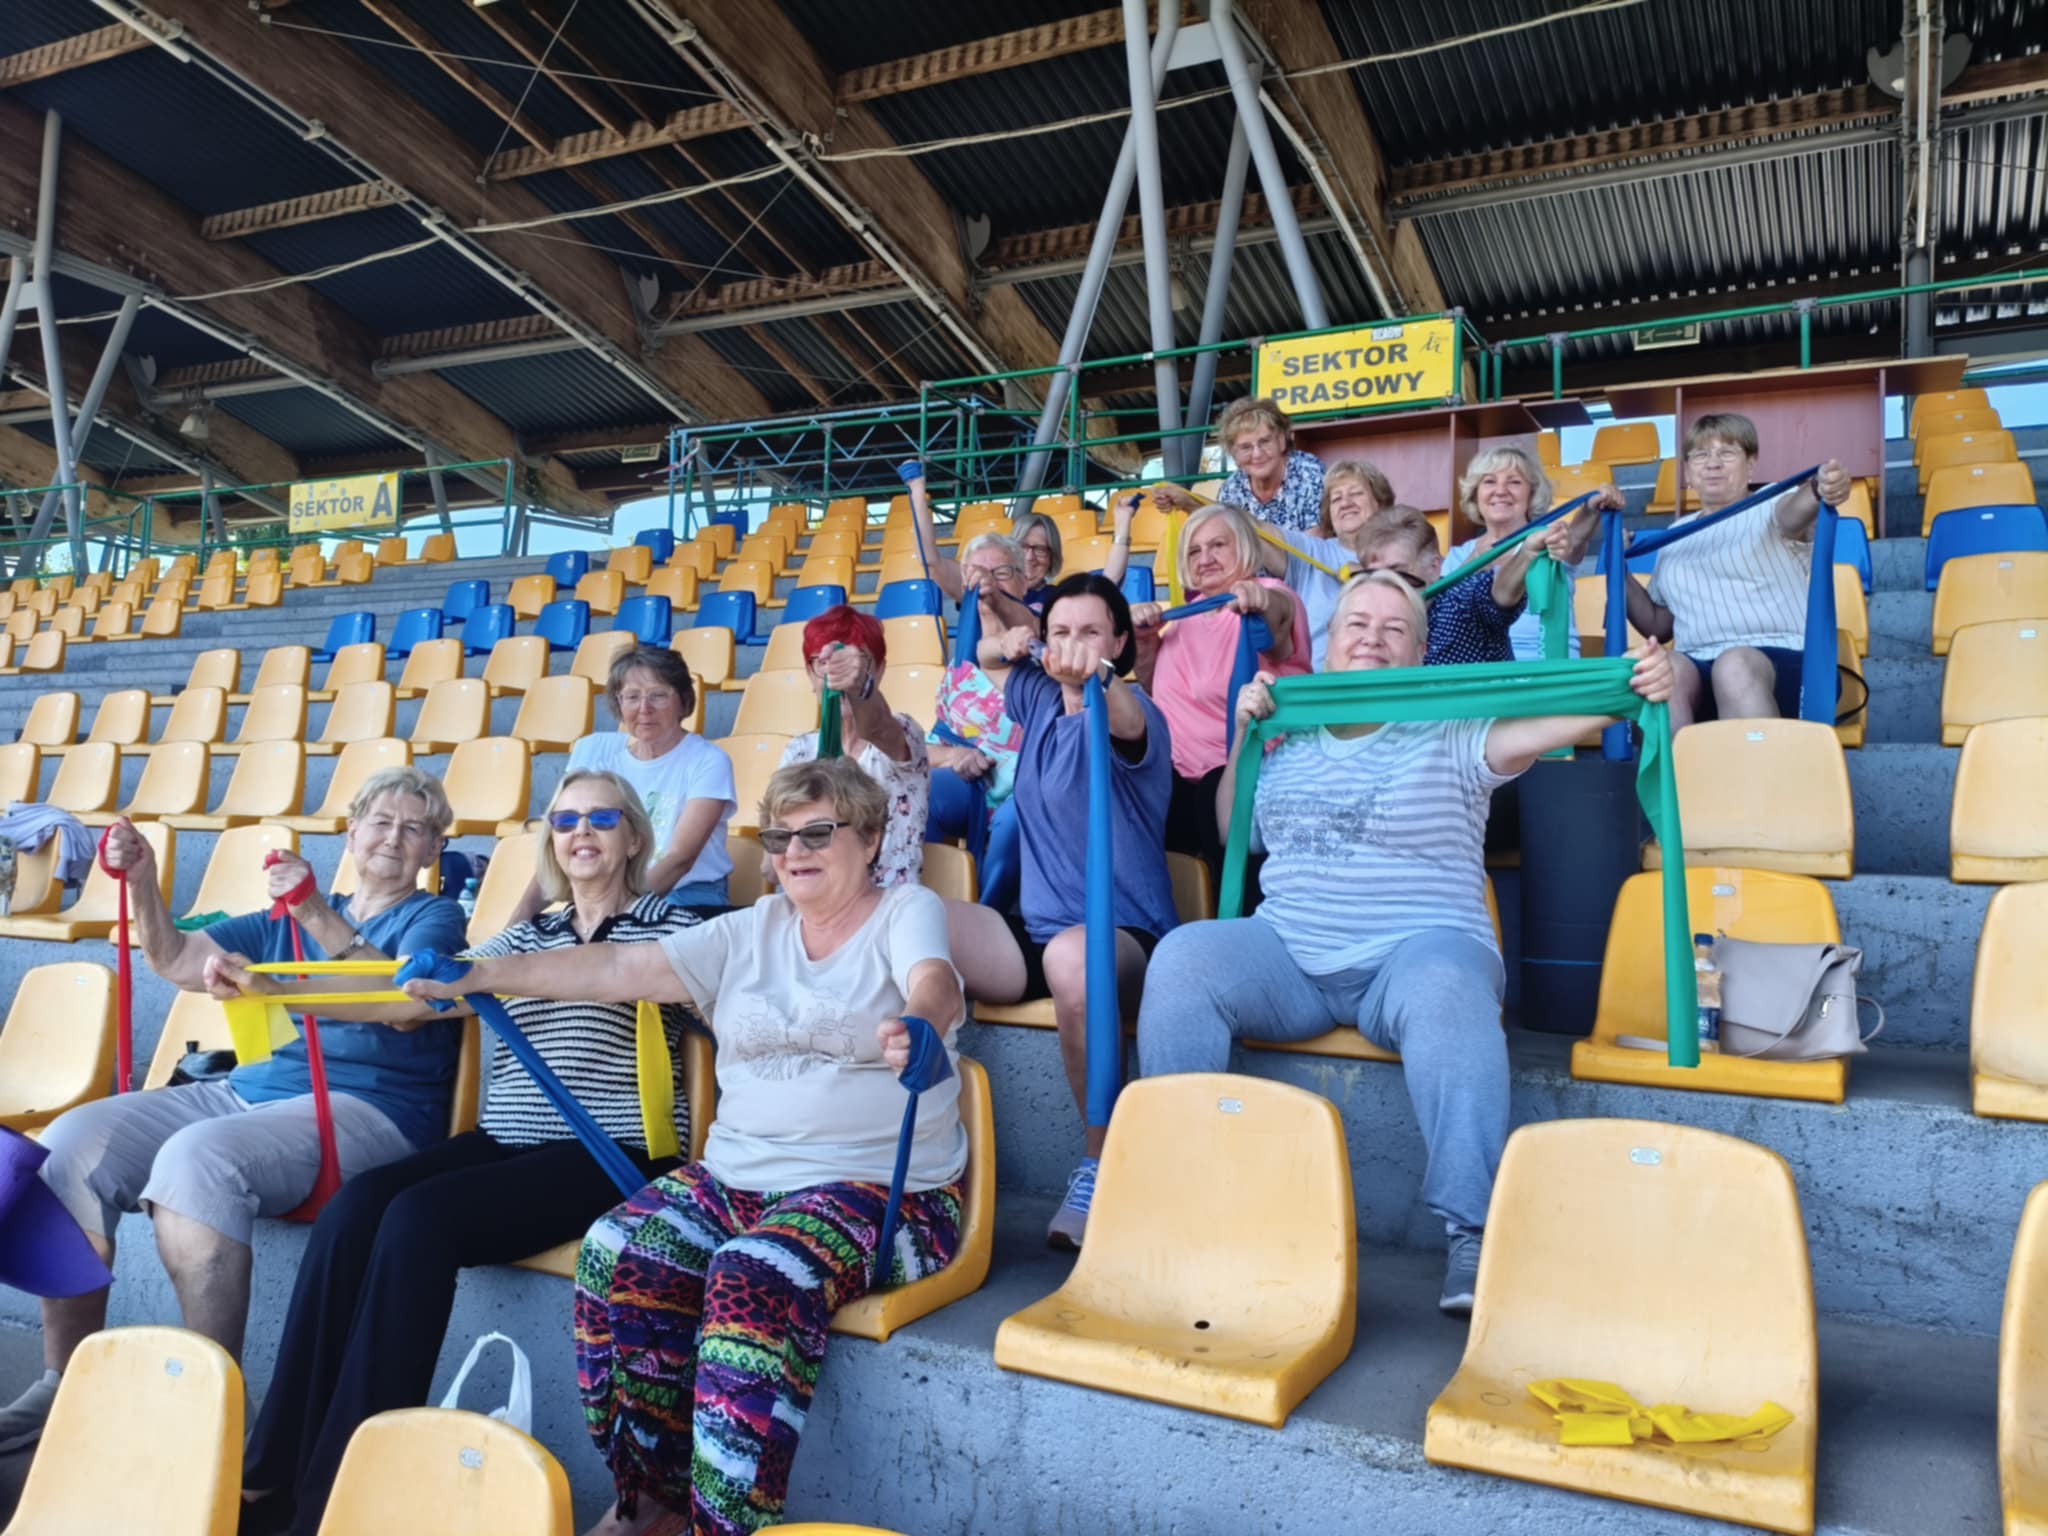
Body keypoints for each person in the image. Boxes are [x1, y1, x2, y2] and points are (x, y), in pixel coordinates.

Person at [402, 757, 967, 1536]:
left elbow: (934, 979)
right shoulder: (750, 929)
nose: (795, 852)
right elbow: (615, 965)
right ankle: (656, 1493)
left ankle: (724, 1523)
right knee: (616, 1251)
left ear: (869, 838)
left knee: (752, 1273)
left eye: (818, 833)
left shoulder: (905, 908)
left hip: (884, 1194)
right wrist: (480, 973)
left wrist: (923, 1023)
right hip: (737, 1178)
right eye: (780, 837)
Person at [1135, 571, 1676, 1315]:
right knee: (1183, 957)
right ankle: (1178, 1202)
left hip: (1416, 953)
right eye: (1357, 624)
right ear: (1328, 644)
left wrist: (1629, 686)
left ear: (1422, 653)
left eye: (1395, 629)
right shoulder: (1289, 731)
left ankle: (1474, 1232)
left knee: (1449, 991)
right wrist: (1242, 738)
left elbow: (1544, 727)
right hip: (1291, 955)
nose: (1373, 639)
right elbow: (1235, 832)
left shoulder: (1450, 726)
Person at [237, 771, 700, 1536]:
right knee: (354, 1209)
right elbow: (407, 1004)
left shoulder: (671, 925)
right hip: (506, 1140)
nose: (581, 833)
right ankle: (272, 1475)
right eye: (565, 820)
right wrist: (270, 990)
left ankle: (341, 1504)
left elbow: (698, 1001)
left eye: (601, 818)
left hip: (612, 1150)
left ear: (633, 837)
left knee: (420, 1220)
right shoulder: (525, 935)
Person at [0, 767, 467, 1453]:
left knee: (198, 1159)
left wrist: (311, 909)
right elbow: (176, 961)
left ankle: (213, 1410)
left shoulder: (435, 918)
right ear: (350, 832)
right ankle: (63, 1380)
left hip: (371, 1106)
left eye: (414, 828)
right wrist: (143, 883)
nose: (393, 838)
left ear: (433, 849)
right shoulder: (283, 918)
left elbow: (401, 1004)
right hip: (254, 1090)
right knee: (71, 1143)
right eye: (380, 822)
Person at [944, 574, 1177, 1249]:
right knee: (912, 918)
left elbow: (1124, 716)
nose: (1074, 644)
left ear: (1120, 643)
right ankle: (909, 1136)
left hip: (1124, 934)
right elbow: (983, 655)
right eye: (1063, 632)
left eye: (1092, 632)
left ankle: (1100, 1164)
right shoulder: (1039, 696)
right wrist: (1012, 636)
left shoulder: (1136, 714)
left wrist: (1095, 676)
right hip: (1039, 932)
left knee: (1075, 960)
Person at [1620, 412, 1851, 729]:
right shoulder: (1674, 534)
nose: (1712, 464)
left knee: (1733, 665)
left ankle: (1759, 763)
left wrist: (1819, 488)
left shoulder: (1772, 504)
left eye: (1727, 453)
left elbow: (1796, 512)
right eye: (1700, 455)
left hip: (1784, 663)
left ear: (1751, 464)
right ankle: (1677, 763)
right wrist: (1618, 567)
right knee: (1659, 669)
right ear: (1687, 470)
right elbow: (1659, 625)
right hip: (1698, 666)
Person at [1129, 500, 1309, 872]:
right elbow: (1154, 687)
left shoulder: (1271, 593)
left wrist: (1261, 601)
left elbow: (1277, 623)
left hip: (1243, 774)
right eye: (1194, 551)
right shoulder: (1183, 617)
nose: (1205, 558)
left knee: (1207, 795)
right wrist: (1143, 641)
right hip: (1177, 776)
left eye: (1217, 545)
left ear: (1244, 546)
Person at [512, 646, 735, 923]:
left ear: (683, 700)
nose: (644, 709)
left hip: (687, 894)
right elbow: (561, 846)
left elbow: (680, 859)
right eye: (632, 697)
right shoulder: (599, 758)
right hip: (605, 896)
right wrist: (518, 921)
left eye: (658, 695)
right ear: (618, 704)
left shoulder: (708, 760)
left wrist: (615, 919)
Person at [779, 605, 929, 888]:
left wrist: (861, 687)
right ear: (809, 674)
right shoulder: (797, 751)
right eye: (823, 663)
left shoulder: (905, 734)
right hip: (814, 902)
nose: (836, 677)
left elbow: (876, 727)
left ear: (879, 670)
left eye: (858, 661)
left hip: (889, 904)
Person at [1443, 446, 1616, 663]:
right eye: (1489, 481)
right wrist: (1475, 562)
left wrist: (1593, 507)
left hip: (1547, 670)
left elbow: (1576, 538)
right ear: (1475, 494)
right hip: (1480, 672)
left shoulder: (1551, 538)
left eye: (1514, 482)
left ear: (1532, 494)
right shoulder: (1458, 557)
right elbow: (1442, 615)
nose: (1501, 490)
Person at [1357, 504, 1572, 667]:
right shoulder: (1361, 620)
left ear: (1434, 567)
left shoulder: (1461, 601)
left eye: (1398, 572)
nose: (1385, 585)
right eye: (1373, 575)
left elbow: (1501, 594)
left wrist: (1527, 554)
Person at [1252, 458, 1395, 668]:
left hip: (1383, 680)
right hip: (1315, 683)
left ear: (1380, 503)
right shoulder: (1312, 551)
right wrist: (1204, 508)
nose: (1345, 503)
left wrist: (1369, 579)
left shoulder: (1402, 552)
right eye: (1336, 499)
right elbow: (1253, 531)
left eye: (1356, 493)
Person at [1159, 396, 1326, 532]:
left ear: (1282, 441)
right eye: (1246, 447)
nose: (1257, 454)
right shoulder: (1232, 488)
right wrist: (1189, 503)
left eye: (1265, 441)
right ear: (1234, 454)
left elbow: (1314, 547)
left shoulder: (1309, 472)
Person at [1010, 510, 1064, 612]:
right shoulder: (995, 594)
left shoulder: (1059, 600)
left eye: (1040, 549)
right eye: (1022, 547)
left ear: (1052, 557)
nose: (1029, 557)